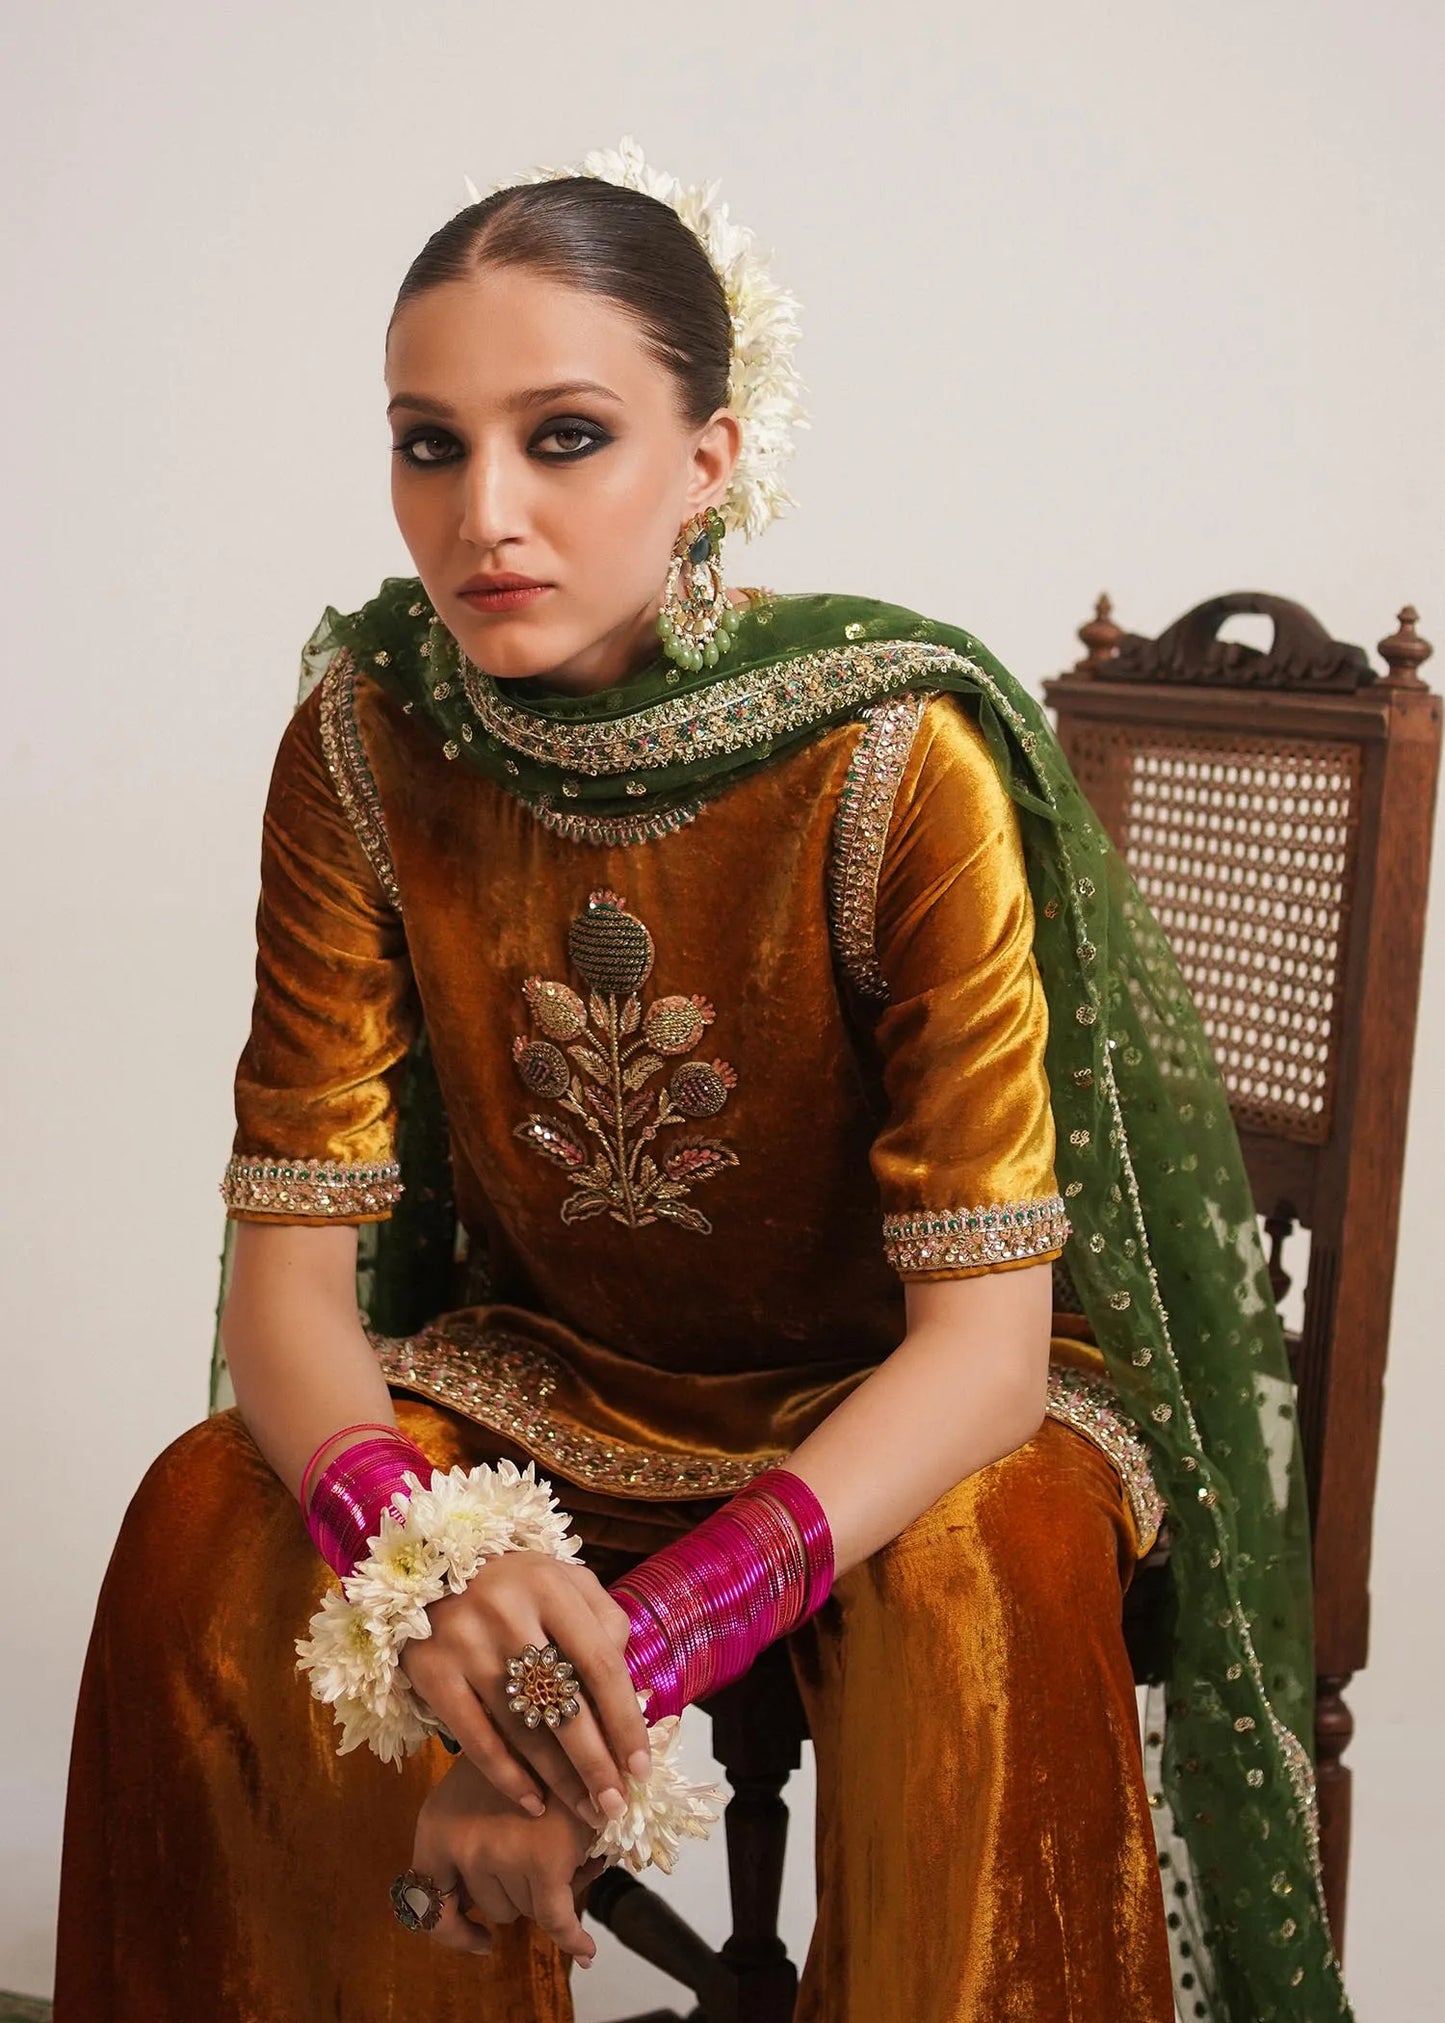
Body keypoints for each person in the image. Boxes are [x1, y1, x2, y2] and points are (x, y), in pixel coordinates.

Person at [53, 138, 1354, 2023]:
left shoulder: (895, 758)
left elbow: (986, 1356)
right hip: (556, 1373)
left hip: (897, 1399)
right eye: (428, 444)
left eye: (564, 437)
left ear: (712, 459)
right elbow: (286, 1285)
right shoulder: (362, 742)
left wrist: (588, 1690)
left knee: (980, 1575)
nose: (483, 512)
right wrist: (424, 1570)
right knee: (206, 1522)